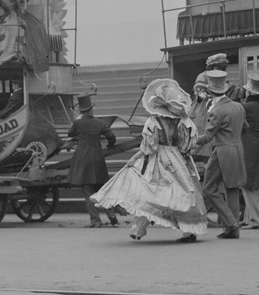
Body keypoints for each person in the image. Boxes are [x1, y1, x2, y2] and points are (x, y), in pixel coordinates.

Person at [92, 79, 207, 242]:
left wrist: (134, 157)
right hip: (176, 158)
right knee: (181, 193)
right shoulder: (181, 121)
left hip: (157, 159)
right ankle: (189, 231)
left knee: (147, 193)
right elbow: (184, 145)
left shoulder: (153, 122)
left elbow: (150, 147)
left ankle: (139, 229)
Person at [194, 69, 247, 239]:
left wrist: (190, 139)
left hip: (221, 152)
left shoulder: (217, 111)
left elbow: (207, 137)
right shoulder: (238, 107)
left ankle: (231, 223)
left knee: (209, 189)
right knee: (232, 189)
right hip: (238, 150)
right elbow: (246, 127)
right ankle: (233, 230)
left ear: (211, 92)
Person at [66, 94, 119, 228]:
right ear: (91, 109)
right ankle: (111, 215)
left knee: (88, 191)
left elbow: (70, 133)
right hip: (97, 158)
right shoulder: (99, 123)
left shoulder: (78, 123)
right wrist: (110, 145)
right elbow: (111, 137)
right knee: (100, 189)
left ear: (82, 111)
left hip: (83, 159)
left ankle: (95, 221)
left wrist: (77, 121)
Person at [239, 74, 259, 230]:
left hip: (249, 146)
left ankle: (257, 220)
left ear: (249, 92)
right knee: (254, 182)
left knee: (248, 183)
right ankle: (248, 218)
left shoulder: (245, 107)